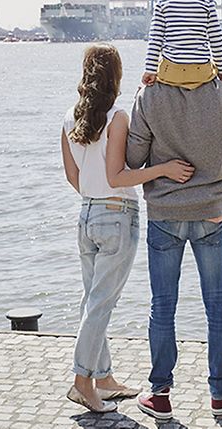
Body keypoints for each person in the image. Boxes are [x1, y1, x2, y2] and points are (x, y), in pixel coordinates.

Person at [60, 43, 196, 413]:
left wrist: (93, 198)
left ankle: (102, 377)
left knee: (93, 301)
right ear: (115, 76)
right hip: (117, 215)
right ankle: (81, 382)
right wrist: (164, 169)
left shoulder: (69, 118)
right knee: (101, 304)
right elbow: (118, 177)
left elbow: (74, 177)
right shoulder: (118, 117)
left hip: (86, 215)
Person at [127, 41, 222, 420]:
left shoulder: (148, 97)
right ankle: (219, 395)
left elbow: (133, 159)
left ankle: (160, 395)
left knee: (162, 305)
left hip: (164, 213)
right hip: (211, 213)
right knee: (218, 304)